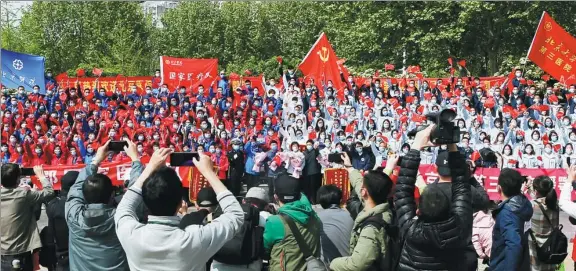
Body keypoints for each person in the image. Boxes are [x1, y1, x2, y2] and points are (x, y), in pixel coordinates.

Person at [114, 150, 244, 270]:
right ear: (180, 204)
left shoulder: (130, 234)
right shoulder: (196, 238)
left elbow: (126, 205)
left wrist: (150, 167)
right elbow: (236, 215)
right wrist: (208, 172)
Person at [394, 125, 473, 270]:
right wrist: (451, 144)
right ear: (449, 209)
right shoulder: (460, 226)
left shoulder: (411, 229)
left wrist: (416, 145)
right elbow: (462, 185)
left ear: (418, 211)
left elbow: (402, 191)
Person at [65, 140, 143, 271]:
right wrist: (135, 159)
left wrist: (96, 160)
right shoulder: (122, 218)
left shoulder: (73, 215)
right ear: (112, 195)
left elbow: (76, 188)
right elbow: (135, 192)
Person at [330, 153, 395, 271]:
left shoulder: (371, 229)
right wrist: (349, 167)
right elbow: (360, 182)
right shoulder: (381, 203)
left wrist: (334, 263)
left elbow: (357, 264)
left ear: (364, 192)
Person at [1, 164, 55, 271]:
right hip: (21, 250)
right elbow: (49, 192)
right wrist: (41, 176)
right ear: (18, 180)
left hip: (3, 251)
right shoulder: (23, 195)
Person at [263, 174, 321, 271]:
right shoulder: (314, 217)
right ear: (299, 195)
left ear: (275, 197)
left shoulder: (274, 221)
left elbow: (264, 249)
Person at [210, 187, 272, 271]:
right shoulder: (266, 217)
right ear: (266, 206)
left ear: (243, 201)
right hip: (249, 267)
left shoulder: (228, 213)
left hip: (217, 267)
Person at [489, 168, 533, 271]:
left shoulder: (507, 213)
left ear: (499, 188)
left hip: (503, 265)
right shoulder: (522, 203)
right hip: (522, 263)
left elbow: (514, 244)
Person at [45, 171, 79, 271]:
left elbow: (50, 236)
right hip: (80, 255)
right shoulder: (83, 206)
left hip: (62, 257)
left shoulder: (54, 205)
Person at [527, 176, 560, 271]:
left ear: (536, 190)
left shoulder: (532, 205)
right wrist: (530, 190)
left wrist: (523, 190)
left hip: (536, 250)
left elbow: (519, 205)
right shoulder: (555, 205)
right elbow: (542, 201)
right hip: (551, 249)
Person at [315, 185, 353, 264]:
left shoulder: (316, 218)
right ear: (340, 200)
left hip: (326, 266)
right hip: (348, 265)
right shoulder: (351, 217)